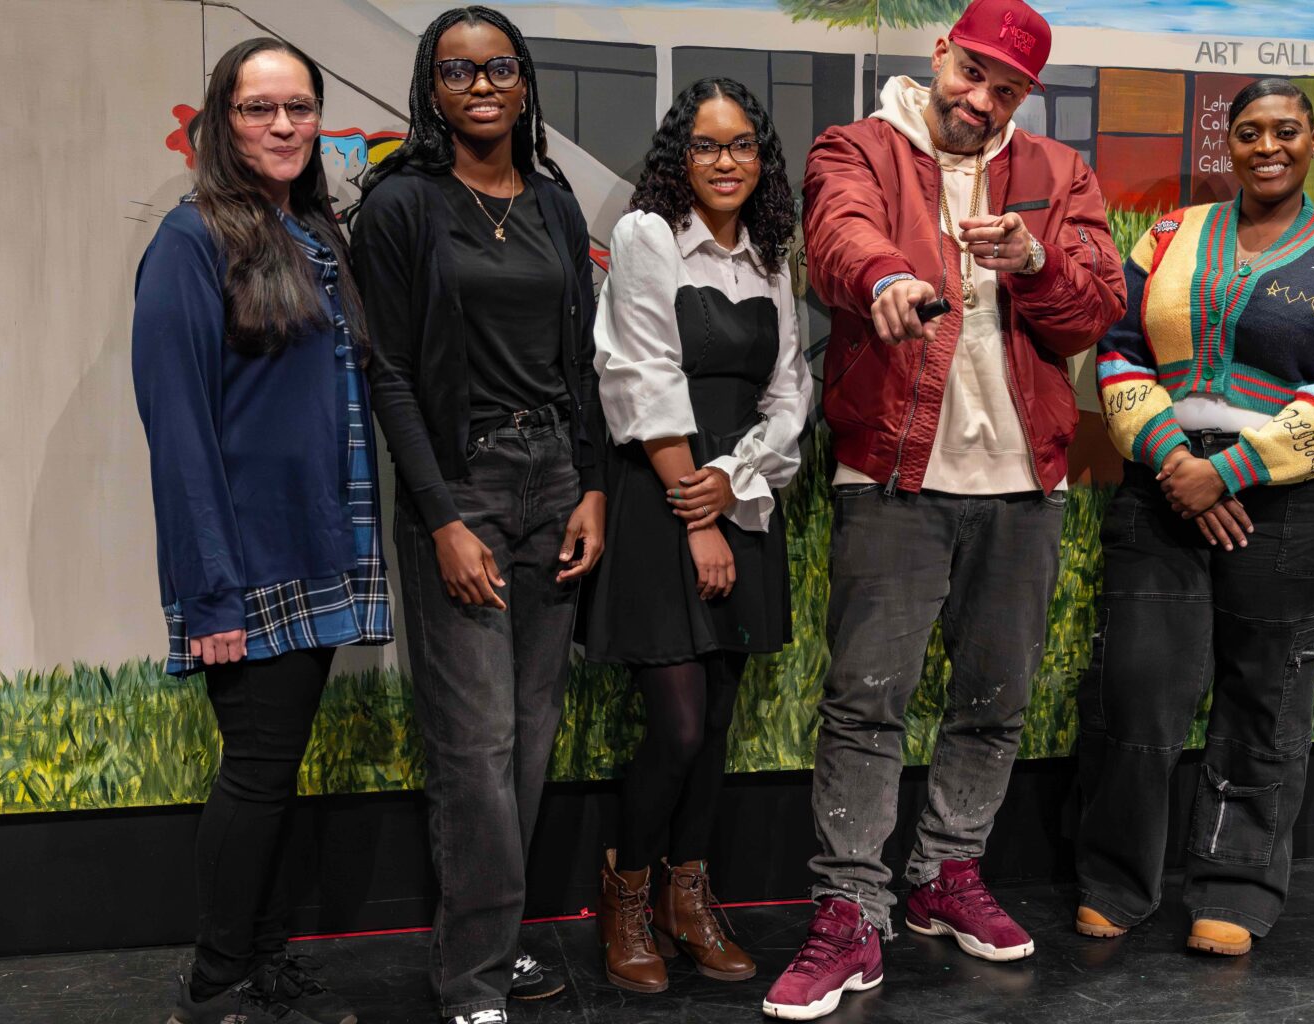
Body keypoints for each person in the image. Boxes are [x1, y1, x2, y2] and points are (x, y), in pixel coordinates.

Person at [763, 0, 1123, 1018]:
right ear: (940, 56)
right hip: (894, 472)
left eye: (1006, 90)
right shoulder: (861, 146)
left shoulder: (1060, 176)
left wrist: (1036, 263)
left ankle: (944, 872)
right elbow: (837, 236)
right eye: (972, 75)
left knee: (993, 698)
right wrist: (883, 275)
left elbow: (1097, 306)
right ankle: (848, 910)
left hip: (1024, 481)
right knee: (866, 699)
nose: (982, 101)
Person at [1074, 78, 1314, 958]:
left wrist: (1233, 474)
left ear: (1313, 139)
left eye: (1285, 131)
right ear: (1227, 144)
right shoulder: (1172, 235)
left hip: (1298, 505)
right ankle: (1117, 879)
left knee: (1266, 696)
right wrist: (1178, 464)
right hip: (1164, 485)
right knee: (1140, 691)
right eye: (1249, 132)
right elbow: (1119, 348)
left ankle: (1236, 885)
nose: (1267, 147)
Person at [349, 6, 606, 1023]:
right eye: (458, 72)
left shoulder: (551, 201)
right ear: (431, 88)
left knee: (531, 737)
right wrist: (443, 514)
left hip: (554, 476)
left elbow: (578, 361)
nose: (482, 85)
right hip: (467, 487)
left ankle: (491, 945)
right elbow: (393, 375)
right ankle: (471, 977)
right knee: (475, 739)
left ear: (526, 80)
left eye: (500, 67)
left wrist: (592, 483)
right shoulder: (403, 206)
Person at [133, 36, 384, 1024]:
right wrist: (211, 588)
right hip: (251, 560)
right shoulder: (192, 240)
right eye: (256, 109)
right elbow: (178, 427)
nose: (281, 126)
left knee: (275, 772)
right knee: (258, 770)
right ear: (219, 122)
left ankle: (266, 961)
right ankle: (219, 979)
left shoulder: (320, 234)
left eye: (297, 108)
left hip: (323, 546)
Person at [583, 77, 810, 993]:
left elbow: (790, 390)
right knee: (675, 727)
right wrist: (698, 510)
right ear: (680, 156)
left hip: (740, 494)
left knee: (717, 724)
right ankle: (626, 897)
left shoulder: (770, 256)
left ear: (763, 157)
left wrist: (735, 479)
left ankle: (690, 897)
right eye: (707, 146)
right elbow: (638, 377)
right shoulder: (645, 237)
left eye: (743, 145)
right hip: (661, 498)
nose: (726, 163)